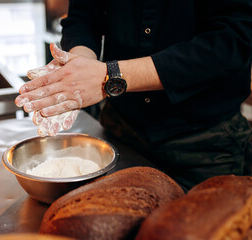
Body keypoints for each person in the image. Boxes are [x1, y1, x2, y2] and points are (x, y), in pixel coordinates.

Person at [15, 0, 252, 189]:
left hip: (205, 143)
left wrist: (110, 76)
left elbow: (233, 41)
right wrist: (79, 65)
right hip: (121, 131)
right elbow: (83, 17)